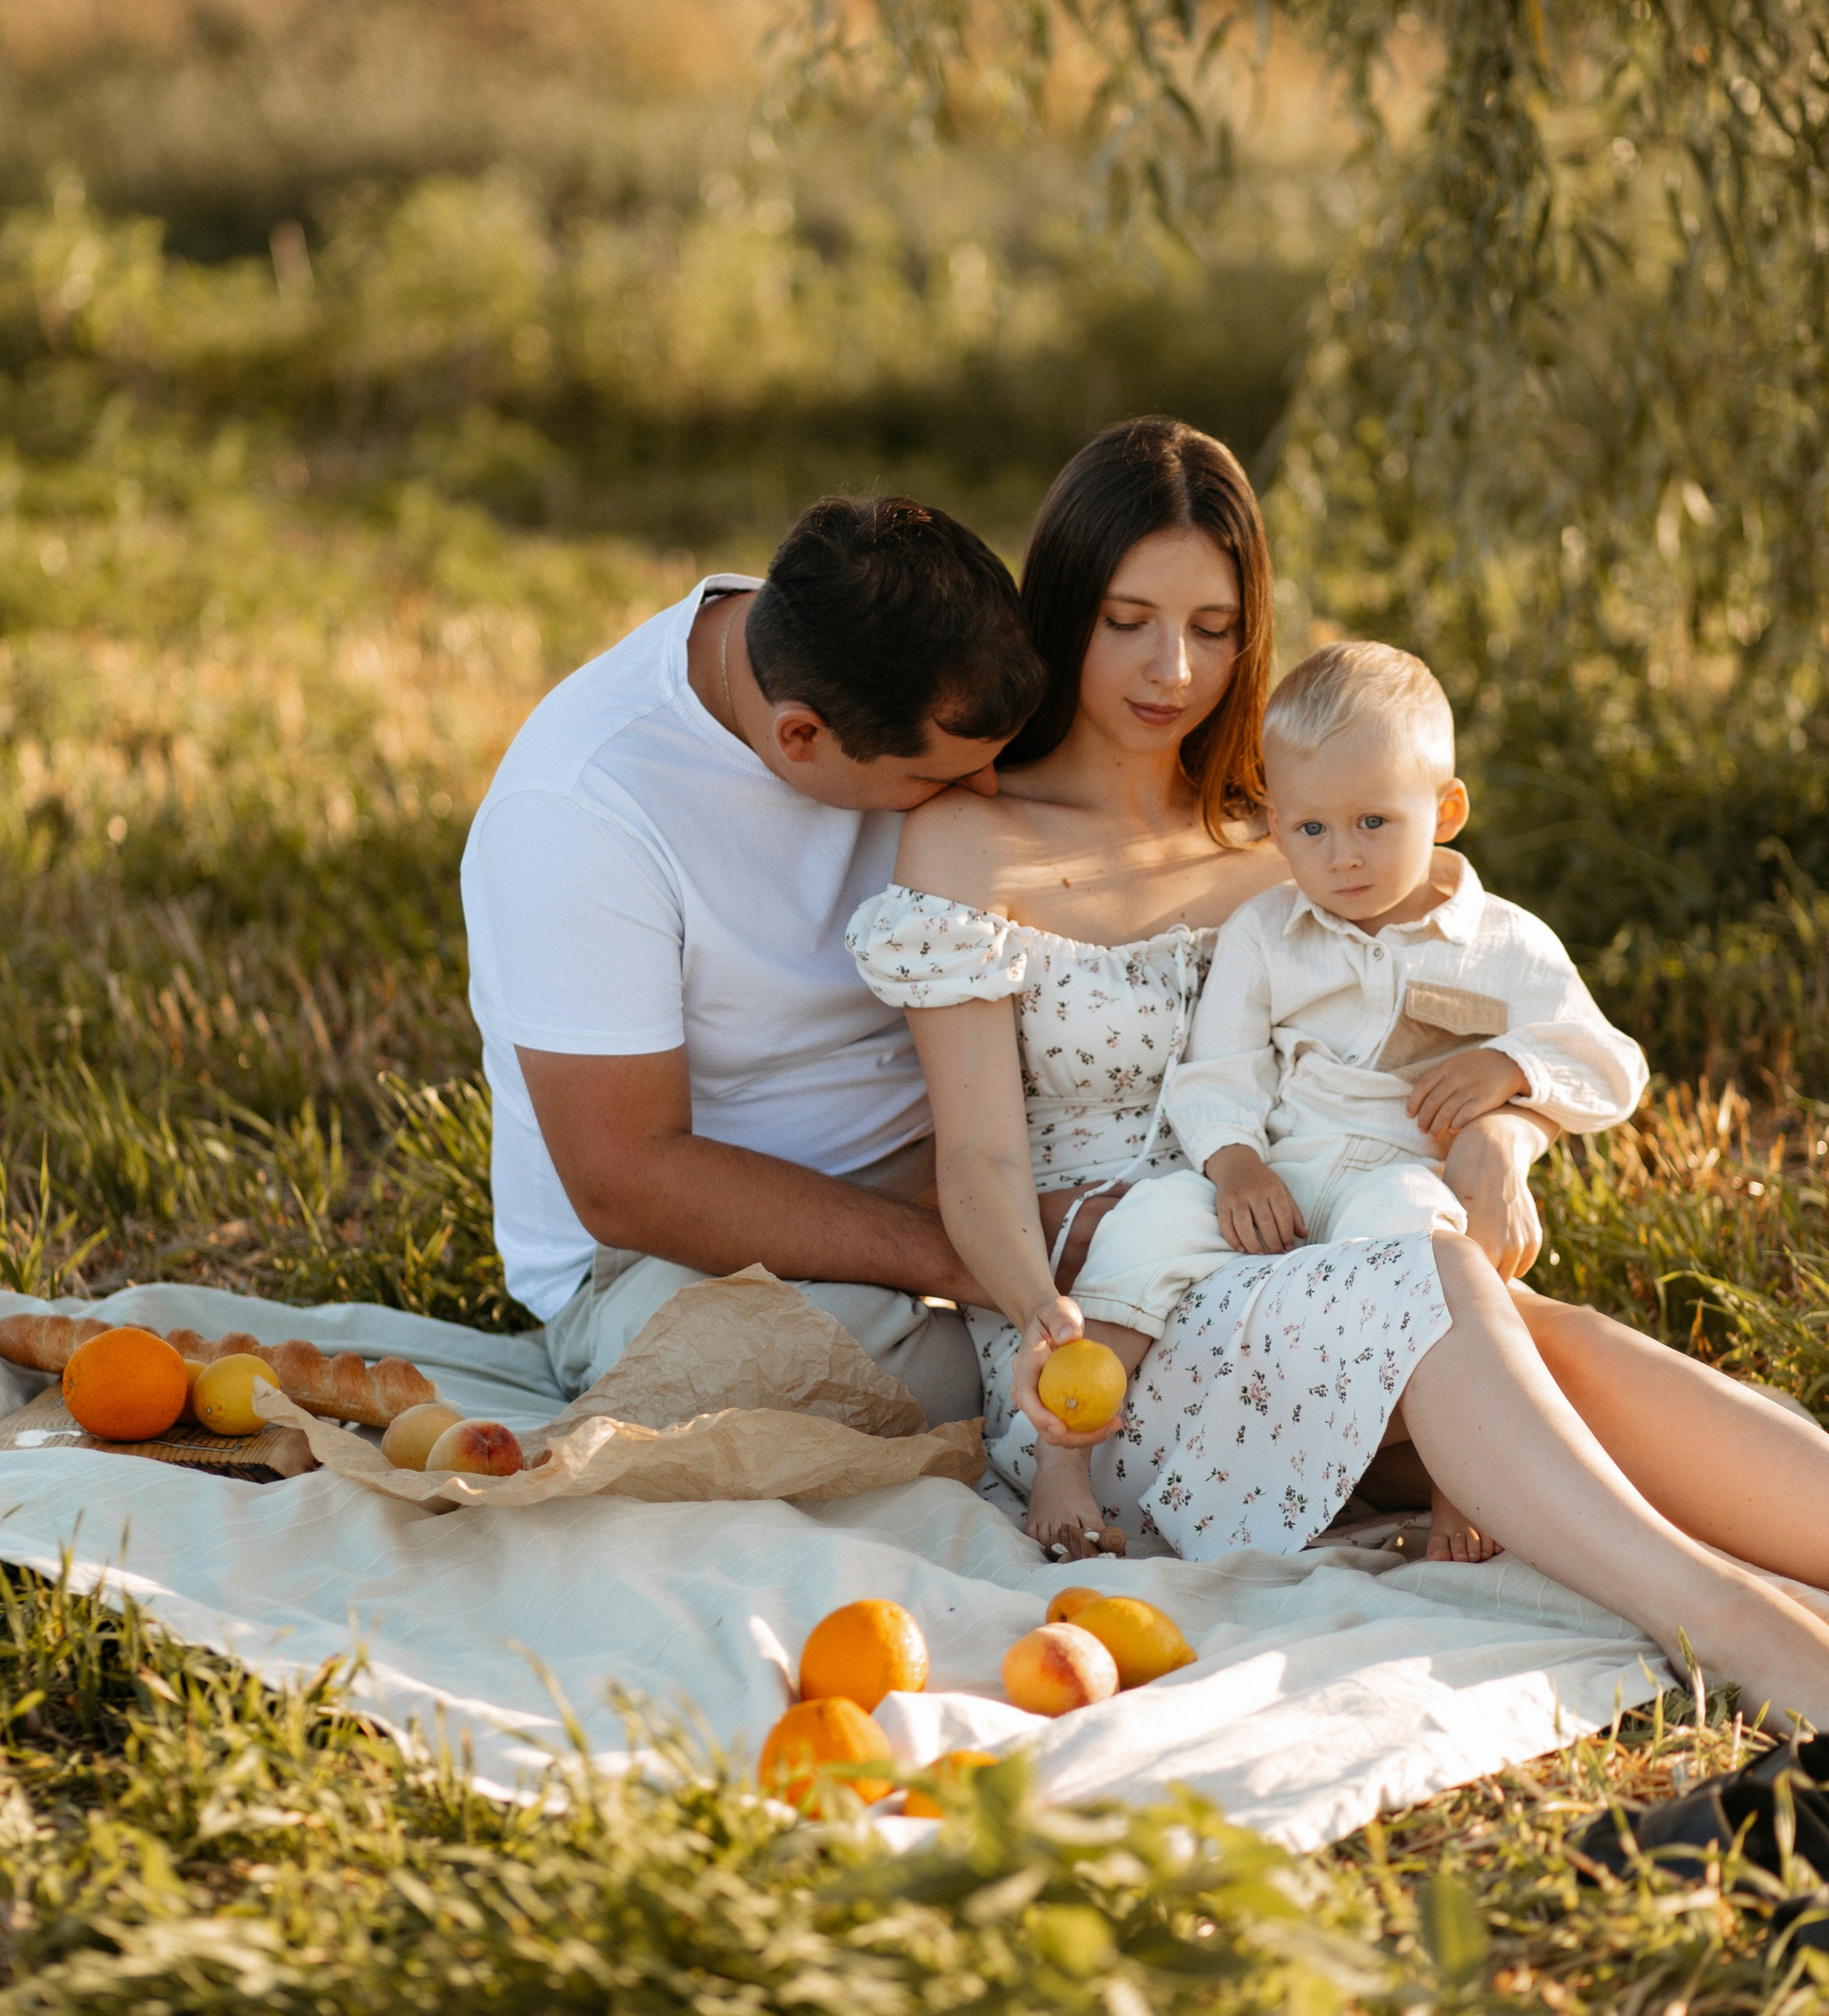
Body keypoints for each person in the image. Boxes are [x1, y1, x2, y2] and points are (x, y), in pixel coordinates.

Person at [846, 415, 1829, 1726]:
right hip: (1108, 1330)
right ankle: (1737, 1630)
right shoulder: (970, 845)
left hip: (1323, 1243)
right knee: (1443, 1295)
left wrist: (1508, 1133)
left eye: (1212, 628)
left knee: (1549, 1340)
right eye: (1129, 622)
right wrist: (1043, 1323)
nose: (1172, 669)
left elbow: (1466, 1027)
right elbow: (975, 1158)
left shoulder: (1300, 836)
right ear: (1066, 609)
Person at [459, 493, 1043, 1421]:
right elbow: (626, 1181)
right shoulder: (581, 809)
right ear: (799, 736)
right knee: (751, 1369)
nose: (986, 793)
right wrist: (969, 1257)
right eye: (937, 778)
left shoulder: (888, 659)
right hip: (673, 1258)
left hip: (973, 1167)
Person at [1064, 638, 1649, 1559]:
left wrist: (1508, 1067)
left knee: (1427, 1266)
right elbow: (1219, 1068)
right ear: (1275, 825)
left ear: (1445, 811)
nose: (1342, 858)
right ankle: (1063, 1464)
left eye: (1374, 821)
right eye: (1311, 830)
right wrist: (1236, 1166)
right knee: (1142, 1228)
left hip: (1399, 1175)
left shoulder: (1502, 944)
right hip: (1282, 1166)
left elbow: (1609, 1062)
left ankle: (1463, 1483)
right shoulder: (1267, 932)